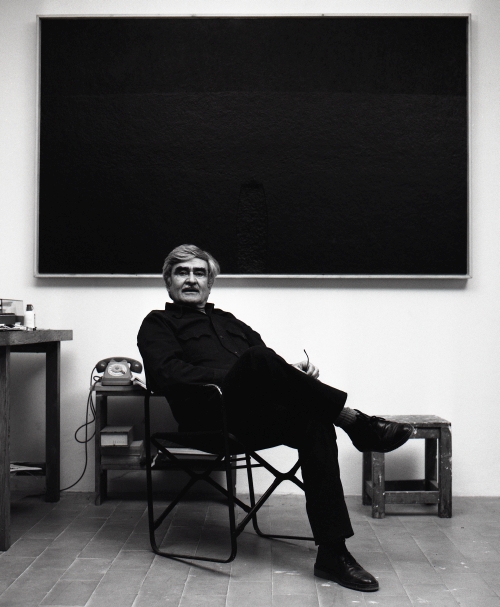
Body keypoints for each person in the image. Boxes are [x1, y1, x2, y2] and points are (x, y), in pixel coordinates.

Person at [137, 244, 413, 593]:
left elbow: (268, 368)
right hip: (206, 419)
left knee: (313, 421)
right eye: (182, 272)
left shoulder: (231, 323)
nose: (191, 280)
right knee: (257, 359)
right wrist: (245, 372)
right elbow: (167, 374)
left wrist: (293, 374)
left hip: (251, 419)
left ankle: (333, 552)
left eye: (199, 273)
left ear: (210, 283)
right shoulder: (157, 324)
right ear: (168, 281)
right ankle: (356, 422)